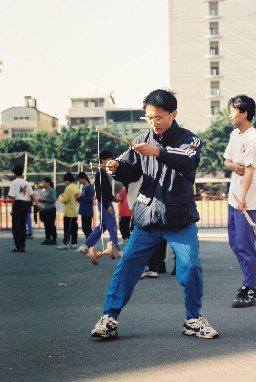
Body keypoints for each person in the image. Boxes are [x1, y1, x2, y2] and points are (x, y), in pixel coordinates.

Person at [91, 89, 218, 339]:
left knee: (190, 266)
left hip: (179, 218)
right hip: (147, 217)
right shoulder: (143, 138)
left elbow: (188, 161)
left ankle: (193, 319)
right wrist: (117, 169)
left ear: (174, 114)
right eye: (149, 117)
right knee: (127, 265)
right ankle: (109, 318)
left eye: (158, 118)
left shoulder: (189, 139)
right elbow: (131, 174)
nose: (153, 123)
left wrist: (159, 152)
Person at [223, 94, 256, 308]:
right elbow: (227, 161)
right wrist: (233, 165)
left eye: (232, 111)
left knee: (245, 246)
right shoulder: (235, 134)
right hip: (233, 200)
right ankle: (251, 281)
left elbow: (251, 169)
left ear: (244, 113)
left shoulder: (253, 137)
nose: (229, 114)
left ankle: (250, 287)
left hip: (248, 202)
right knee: (235, 243)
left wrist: (243, 198)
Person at [79, 150, 121, 255]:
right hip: (104, 203)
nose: (111, 161)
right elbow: (99, 193)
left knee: (102, 226)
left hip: (104, 202)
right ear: (102, 160)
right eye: (108, 159)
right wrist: (107, 206)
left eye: (111, 159)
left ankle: (86, 246)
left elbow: (105, 192)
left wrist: (113, 198)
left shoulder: (103, 173)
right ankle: (116, 250)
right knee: (112, 226)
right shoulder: (100, 174)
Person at [8, 165, 34, 252]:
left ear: (14, 173)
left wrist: (12, 208)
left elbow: (13, 196)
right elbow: (32, 194)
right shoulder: (26, 182)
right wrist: (37, 202)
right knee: (23, 225)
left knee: (16, 226)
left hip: (18, 204)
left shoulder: (14, 182)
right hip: (25, 204)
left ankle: (18, 246)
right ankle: (22, 246)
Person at [57, 172, 80, 250]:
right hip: (75, 210)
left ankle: (65, 243)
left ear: (67, 180)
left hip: (69, 212)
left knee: (67, 229)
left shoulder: (68, 188)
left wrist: (60, 197)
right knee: (74, 228)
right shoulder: (76, 187)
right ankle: (74, 243)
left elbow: (65, 199)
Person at [36, 177, 57, 245]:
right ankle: (47, 238)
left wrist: (44, 199)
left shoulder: (52, 190)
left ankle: (54, 239)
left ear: (48, 183)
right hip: (45, 209)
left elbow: (53, 199)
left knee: (51, 224)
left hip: (51, 209)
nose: (43, 184)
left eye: (44, 182)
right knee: (46, 224)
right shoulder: (44, 191)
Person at [76, 172, 94, 239]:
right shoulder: (84, 188)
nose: (79, 182)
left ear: (84, 179)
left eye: (80, 180)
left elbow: (89, 199)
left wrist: (80, 197)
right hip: (84, 211)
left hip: (87, 211)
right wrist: (79, 198)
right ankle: (88, 243)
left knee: (87, 229)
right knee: (85, 228)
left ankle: (89, 244)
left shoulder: (88, 188)